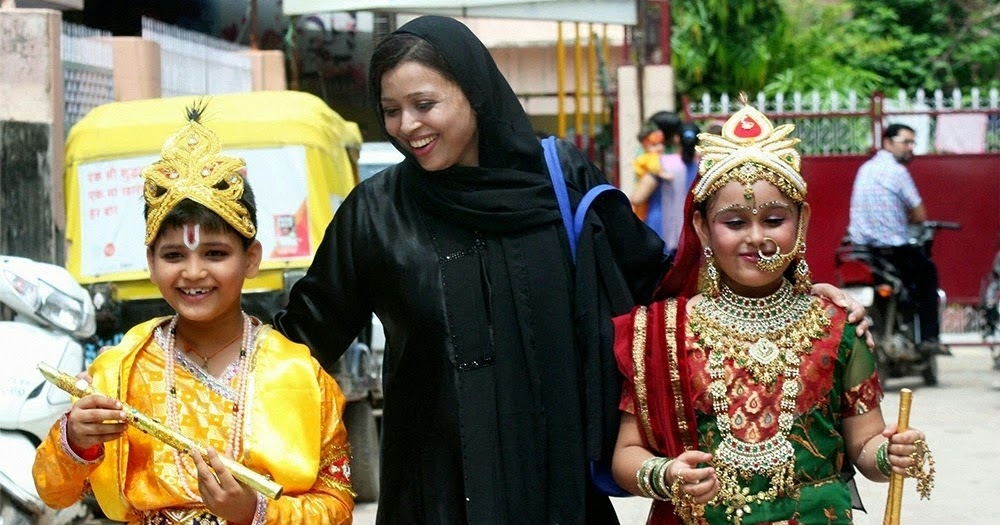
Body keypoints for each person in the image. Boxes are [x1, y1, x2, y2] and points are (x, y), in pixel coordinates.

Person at [272, 15, 869, 524]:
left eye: (424, 105)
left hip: (559, 484)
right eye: (391, 111)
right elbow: (303, 340)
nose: (407, 128)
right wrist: (203, 350)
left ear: (475, 93)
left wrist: (795, 301)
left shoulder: (558, 179)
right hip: (436, 491)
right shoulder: (377, 212)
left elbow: (660, 285)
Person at [611, 105, 935, 524]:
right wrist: (666, 473)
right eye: (734, 222)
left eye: (775, 219)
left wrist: (888, 454)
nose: (757, 237)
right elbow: (626, 455)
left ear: (801, 224)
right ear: (703, 228)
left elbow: (864, 444)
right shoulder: (661, 333)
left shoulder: (838, 326)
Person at [32, 108, 354, 524]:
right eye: (173, 256)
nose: (194, 272)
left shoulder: (299, 375)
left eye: (215, 254)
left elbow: (337, 506)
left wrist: (254, 512)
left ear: (251, 259)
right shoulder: (119, 371)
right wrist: (76, 439)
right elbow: (53, 493)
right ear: (150, 263)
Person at [848, 123, 943, 355]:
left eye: (913, 143)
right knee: (927, 276)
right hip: (892, 250)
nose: (911, 148)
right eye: (906, 142)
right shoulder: (898, 172)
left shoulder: (865, 169)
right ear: (888, 142)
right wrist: (908, 218)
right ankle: (929, 338)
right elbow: (920, 215)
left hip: (860, 250)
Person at [630, 117, 692, 255]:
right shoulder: (701, 165)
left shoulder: (663, 163)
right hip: (688, 228)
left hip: (660, 225)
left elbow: (637, 198)